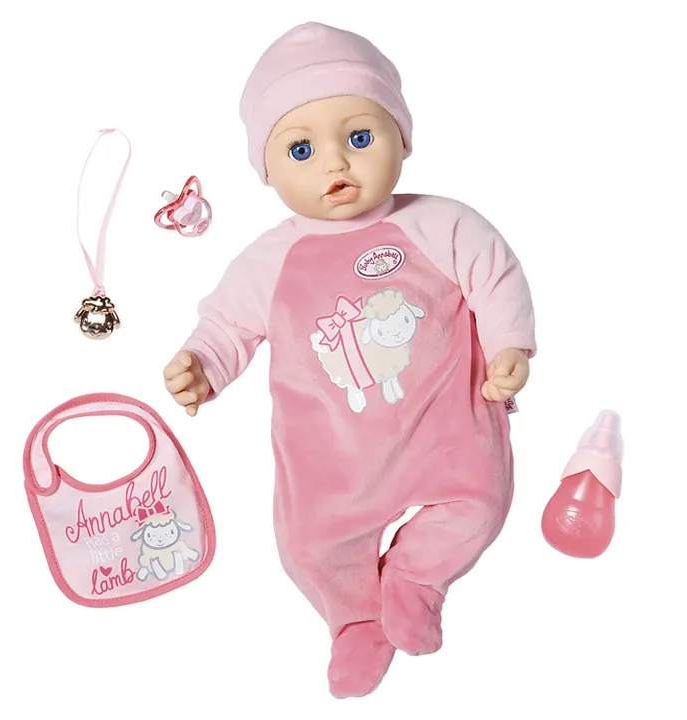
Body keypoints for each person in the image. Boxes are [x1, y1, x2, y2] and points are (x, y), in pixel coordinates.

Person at [163, 21, 536, 698]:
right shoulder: (270, 259)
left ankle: (417, 576)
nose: (335, 164)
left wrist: (509, 344)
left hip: (443, 429)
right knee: (308, 545)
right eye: (301, 149)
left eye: (359, 138)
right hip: (330, 455)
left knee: (480, 501)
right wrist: (203, 364)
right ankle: (355, 619)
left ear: (402, 138)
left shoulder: (442, 223)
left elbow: (496, 276)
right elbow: (227, 323)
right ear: (268, 171)